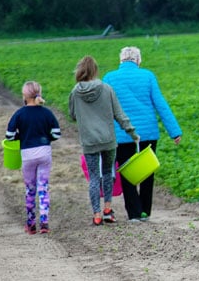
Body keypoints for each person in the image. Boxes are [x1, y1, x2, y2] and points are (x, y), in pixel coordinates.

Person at [105, 45, 182, 222]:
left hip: (123, 134)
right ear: (138, 60)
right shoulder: (148, 76)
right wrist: (174, 131)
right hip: (148, 133)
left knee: (127, 172)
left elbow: (105, 107)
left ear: (121, 60)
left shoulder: (110, 78)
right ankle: (145, 211)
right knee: (147, 171)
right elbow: (160, 104)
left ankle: (134, 213)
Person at [68, 54, 138, 225]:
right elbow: (119, 114)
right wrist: (132, 133)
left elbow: (72, 115)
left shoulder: (75, 92)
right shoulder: (107, 89)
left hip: (89, 141)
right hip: (108, 140)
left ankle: (97, 215)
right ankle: (108, 210)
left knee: (93, 178)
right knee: (108, 174)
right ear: (95, 70)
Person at [5, 81, 61, 234]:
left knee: (30, 189)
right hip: (44, 152)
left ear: (24, 95)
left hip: (27, 155)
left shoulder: (19, 114)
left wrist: (21, 136)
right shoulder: (46, 113)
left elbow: (9, 136)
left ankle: (30, 224)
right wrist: (46, 138)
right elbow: (57, 133)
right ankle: (44, 223)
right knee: (43, 187)